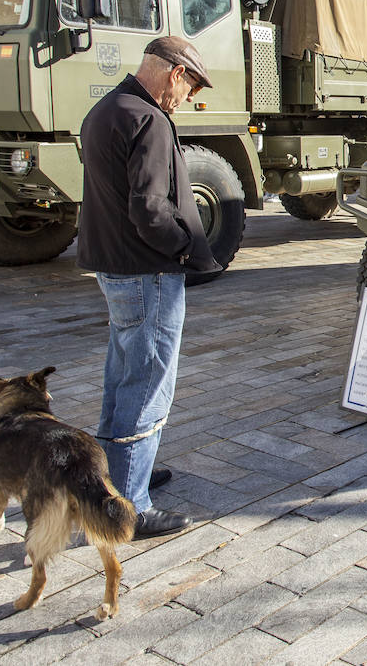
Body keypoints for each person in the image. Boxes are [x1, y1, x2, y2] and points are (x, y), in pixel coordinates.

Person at [78, 36, 222, 539]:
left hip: (115, 268)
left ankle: (118, 476)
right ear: (173, 74)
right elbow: (150, 209)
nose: (186, 99)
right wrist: (187, 247)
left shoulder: (104, 109)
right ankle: (130, 506)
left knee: (121, 379)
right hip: (147, 272)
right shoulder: (149, 119)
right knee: (146, 385)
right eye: (190, 88)